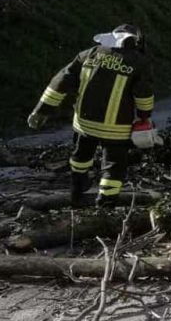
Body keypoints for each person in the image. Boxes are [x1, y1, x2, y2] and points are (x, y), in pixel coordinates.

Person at [27, 24, 154, 208]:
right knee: (113, 166)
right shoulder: (139, 62)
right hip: (116, 129)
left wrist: (41, 110)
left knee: (80, 157)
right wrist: (144, 117)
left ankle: (77, 192)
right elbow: (144, 94)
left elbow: (60, 82)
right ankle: (105, 204)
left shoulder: (89, 54)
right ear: (136, 41)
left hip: (84, 124)